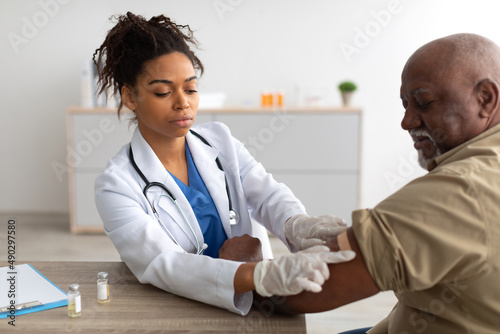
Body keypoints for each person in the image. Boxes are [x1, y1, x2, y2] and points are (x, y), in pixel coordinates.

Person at [227, 33, 500, 333]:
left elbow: (301, 293)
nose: (407, 121)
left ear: (486, 98)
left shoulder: (460, 190)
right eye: (406, 104)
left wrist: (246, 268)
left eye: (424, 102)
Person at [93, 12, 354, 316]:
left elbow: (267, 194)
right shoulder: (116, 186)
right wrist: (258, 274)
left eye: (190, 88)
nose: (183, 102)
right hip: (184, 310)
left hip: (258, 298)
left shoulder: (220, 141)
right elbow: (161, 263)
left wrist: (296, 224)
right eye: (163, 92)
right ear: (129, 97)